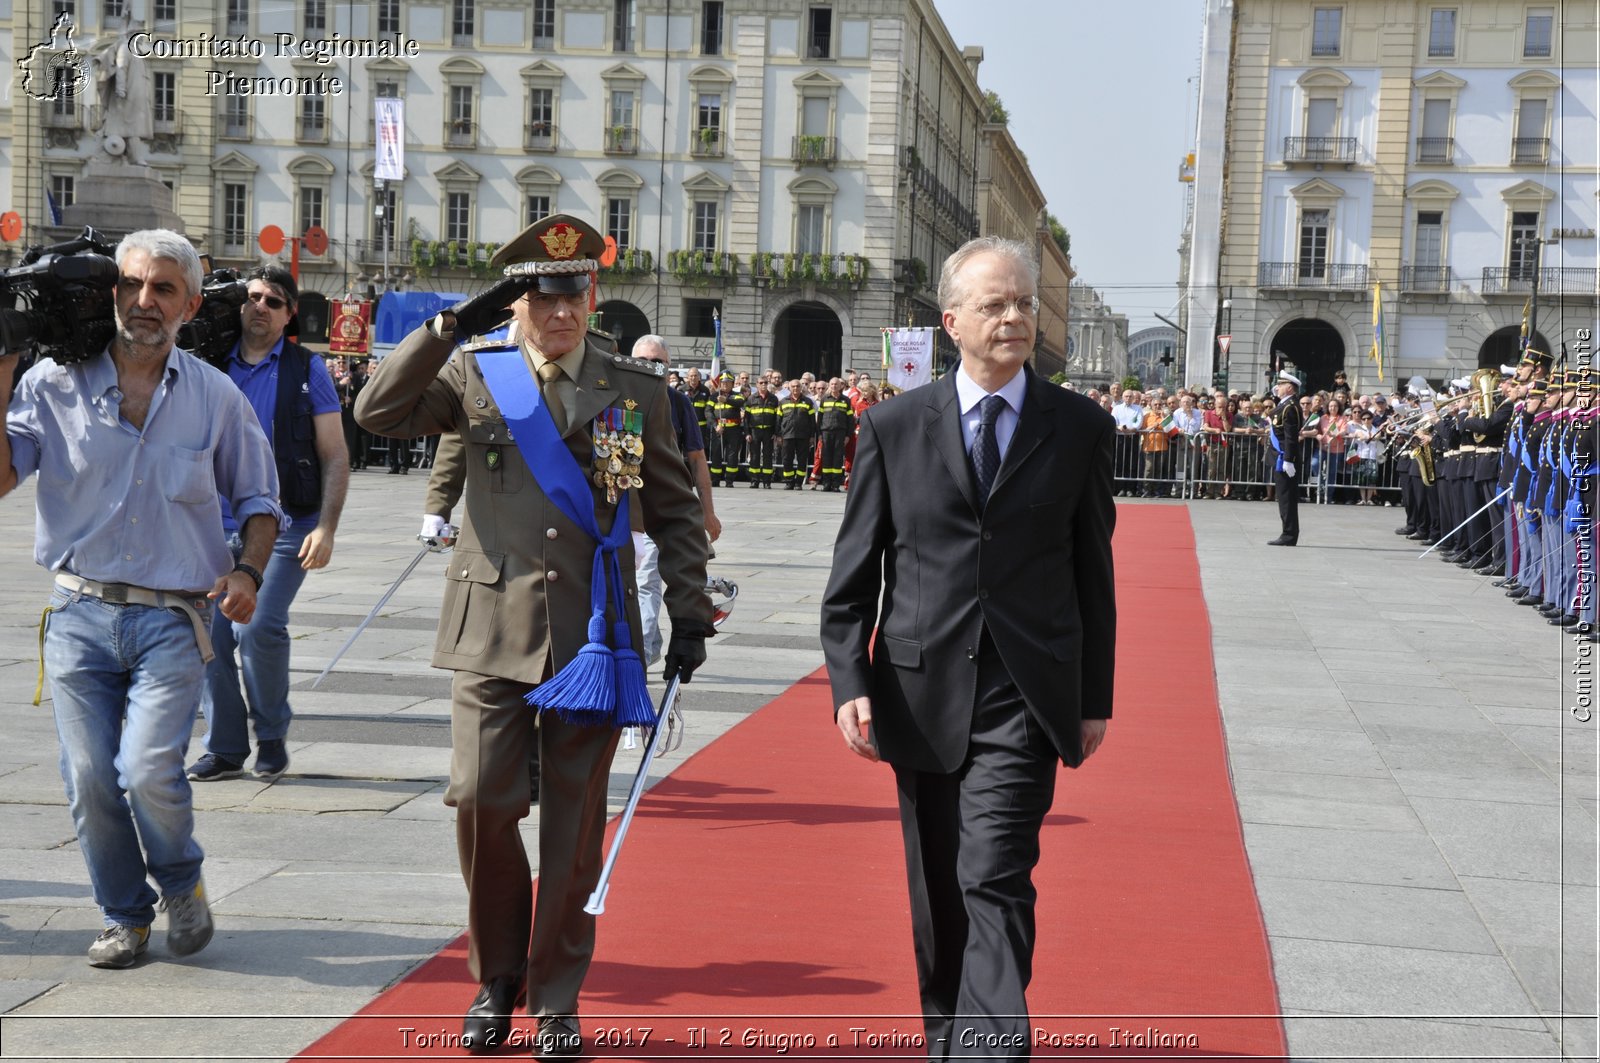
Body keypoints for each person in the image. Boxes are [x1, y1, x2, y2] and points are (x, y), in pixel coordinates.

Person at [355, 214, 714, 1059]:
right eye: (541, 294)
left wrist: (690, 612)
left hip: (593, 639)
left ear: (591, 298)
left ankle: (554, 997)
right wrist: (447, 326)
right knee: (482, 800)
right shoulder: (477, 377)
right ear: (516, 300)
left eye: (574, 294)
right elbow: (378, 409)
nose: (560, 311)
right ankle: (495, 974)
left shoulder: (636, 391)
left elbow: (674, 511)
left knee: (572, 831)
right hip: (489, 628)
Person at [820, 235, 1116, 1059]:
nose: (1016, 316)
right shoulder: (891, 427)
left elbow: (1096, 574)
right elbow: (855, 576)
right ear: (951, 321)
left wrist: (1095, 698)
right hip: (920, 691)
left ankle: (992, 1048)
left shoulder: (1080, 427)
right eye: (996, 304)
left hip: (1027, 694)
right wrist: (850, 679)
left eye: (1023, 301)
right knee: (939, 891)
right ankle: (948, 1033)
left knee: (994, 873)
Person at [1, 229, 285, 967]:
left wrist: (248, 572)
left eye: (163, 288)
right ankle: (125, 914)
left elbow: (260, 500)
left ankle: (181, 881)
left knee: (147, 767)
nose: (144, 301)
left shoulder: (215, 397)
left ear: (189, 304)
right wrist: (5, 361)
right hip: (78, 613)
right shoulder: (51, 384)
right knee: (90, 778)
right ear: (110, 291)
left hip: (172, 618)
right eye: (131, 285)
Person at [187, 266, 348, 783]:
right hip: (212, 524)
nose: (260, 306)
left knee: (257, 627)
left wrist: (327, 527)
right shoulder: (207, 363)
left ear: (289, 314)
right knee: (210, 633)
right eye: (252, 297)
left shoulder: (307, 368)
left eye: (273, 301)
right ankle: (226, 747)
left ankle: (272, 735)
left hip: (286, 523)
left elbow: (336, 455)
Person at [631, 334, 721, 665]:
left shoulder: (678, 403)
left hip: (669, 508)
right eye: (644, 361)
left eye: (658, 362)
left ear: (669, 368)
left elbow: (697, 458)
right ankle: (649, 645)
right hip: (630, 508)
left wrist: (707, 512)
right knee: (641, 583)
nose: (651, 368)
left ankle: (641, 653)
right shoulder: (618, 397)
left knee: (647, 583)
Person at [1268, 369, 1303, 545]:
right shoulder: (1285, 405)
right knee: (1283, 497)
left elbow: (1290, 436)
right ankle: (1287, 532)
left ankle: (1289, 534)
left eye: (1281, 385)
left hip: (1285, 459)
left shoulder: (1290, 407)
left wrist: (1289, 460)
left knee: (1287, 498)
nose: (1277, 387)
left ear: (1289, 387)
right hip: (1280, 456)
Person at [816, 377, 855, 491]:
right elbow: (820, 418)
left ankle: (836, 484)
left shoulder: (846, 400)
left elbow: (850, 420)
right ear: (829, 386)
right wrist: (819, 434)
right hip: (826, 432)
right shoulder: (824, 399)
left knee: (838, 458)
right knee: (826, 457)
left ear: (840, 386)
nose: (834, 386)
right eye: (832, 384)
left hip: (840, 433)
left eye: (836, 384)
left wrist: (848, 435)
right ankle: (826, 483)